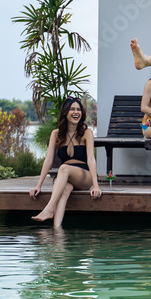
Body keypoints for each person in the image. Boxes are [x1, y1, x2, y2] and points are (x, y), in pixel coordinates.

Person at [29, 97, 101, 227]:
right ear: (65, 113)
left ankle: (49, 209)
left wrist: (96, 186)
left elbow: (91, 159)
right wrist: (38, 185)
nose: (76, 112)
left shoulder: (87, 133)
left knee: (63, 168)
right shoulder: (56, 134)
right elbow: (48, 160)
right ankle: (57, 233)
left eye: (78, 109)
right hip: (66, 177)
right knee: (64, 191)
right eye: (72, 109)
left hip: (84, 176)